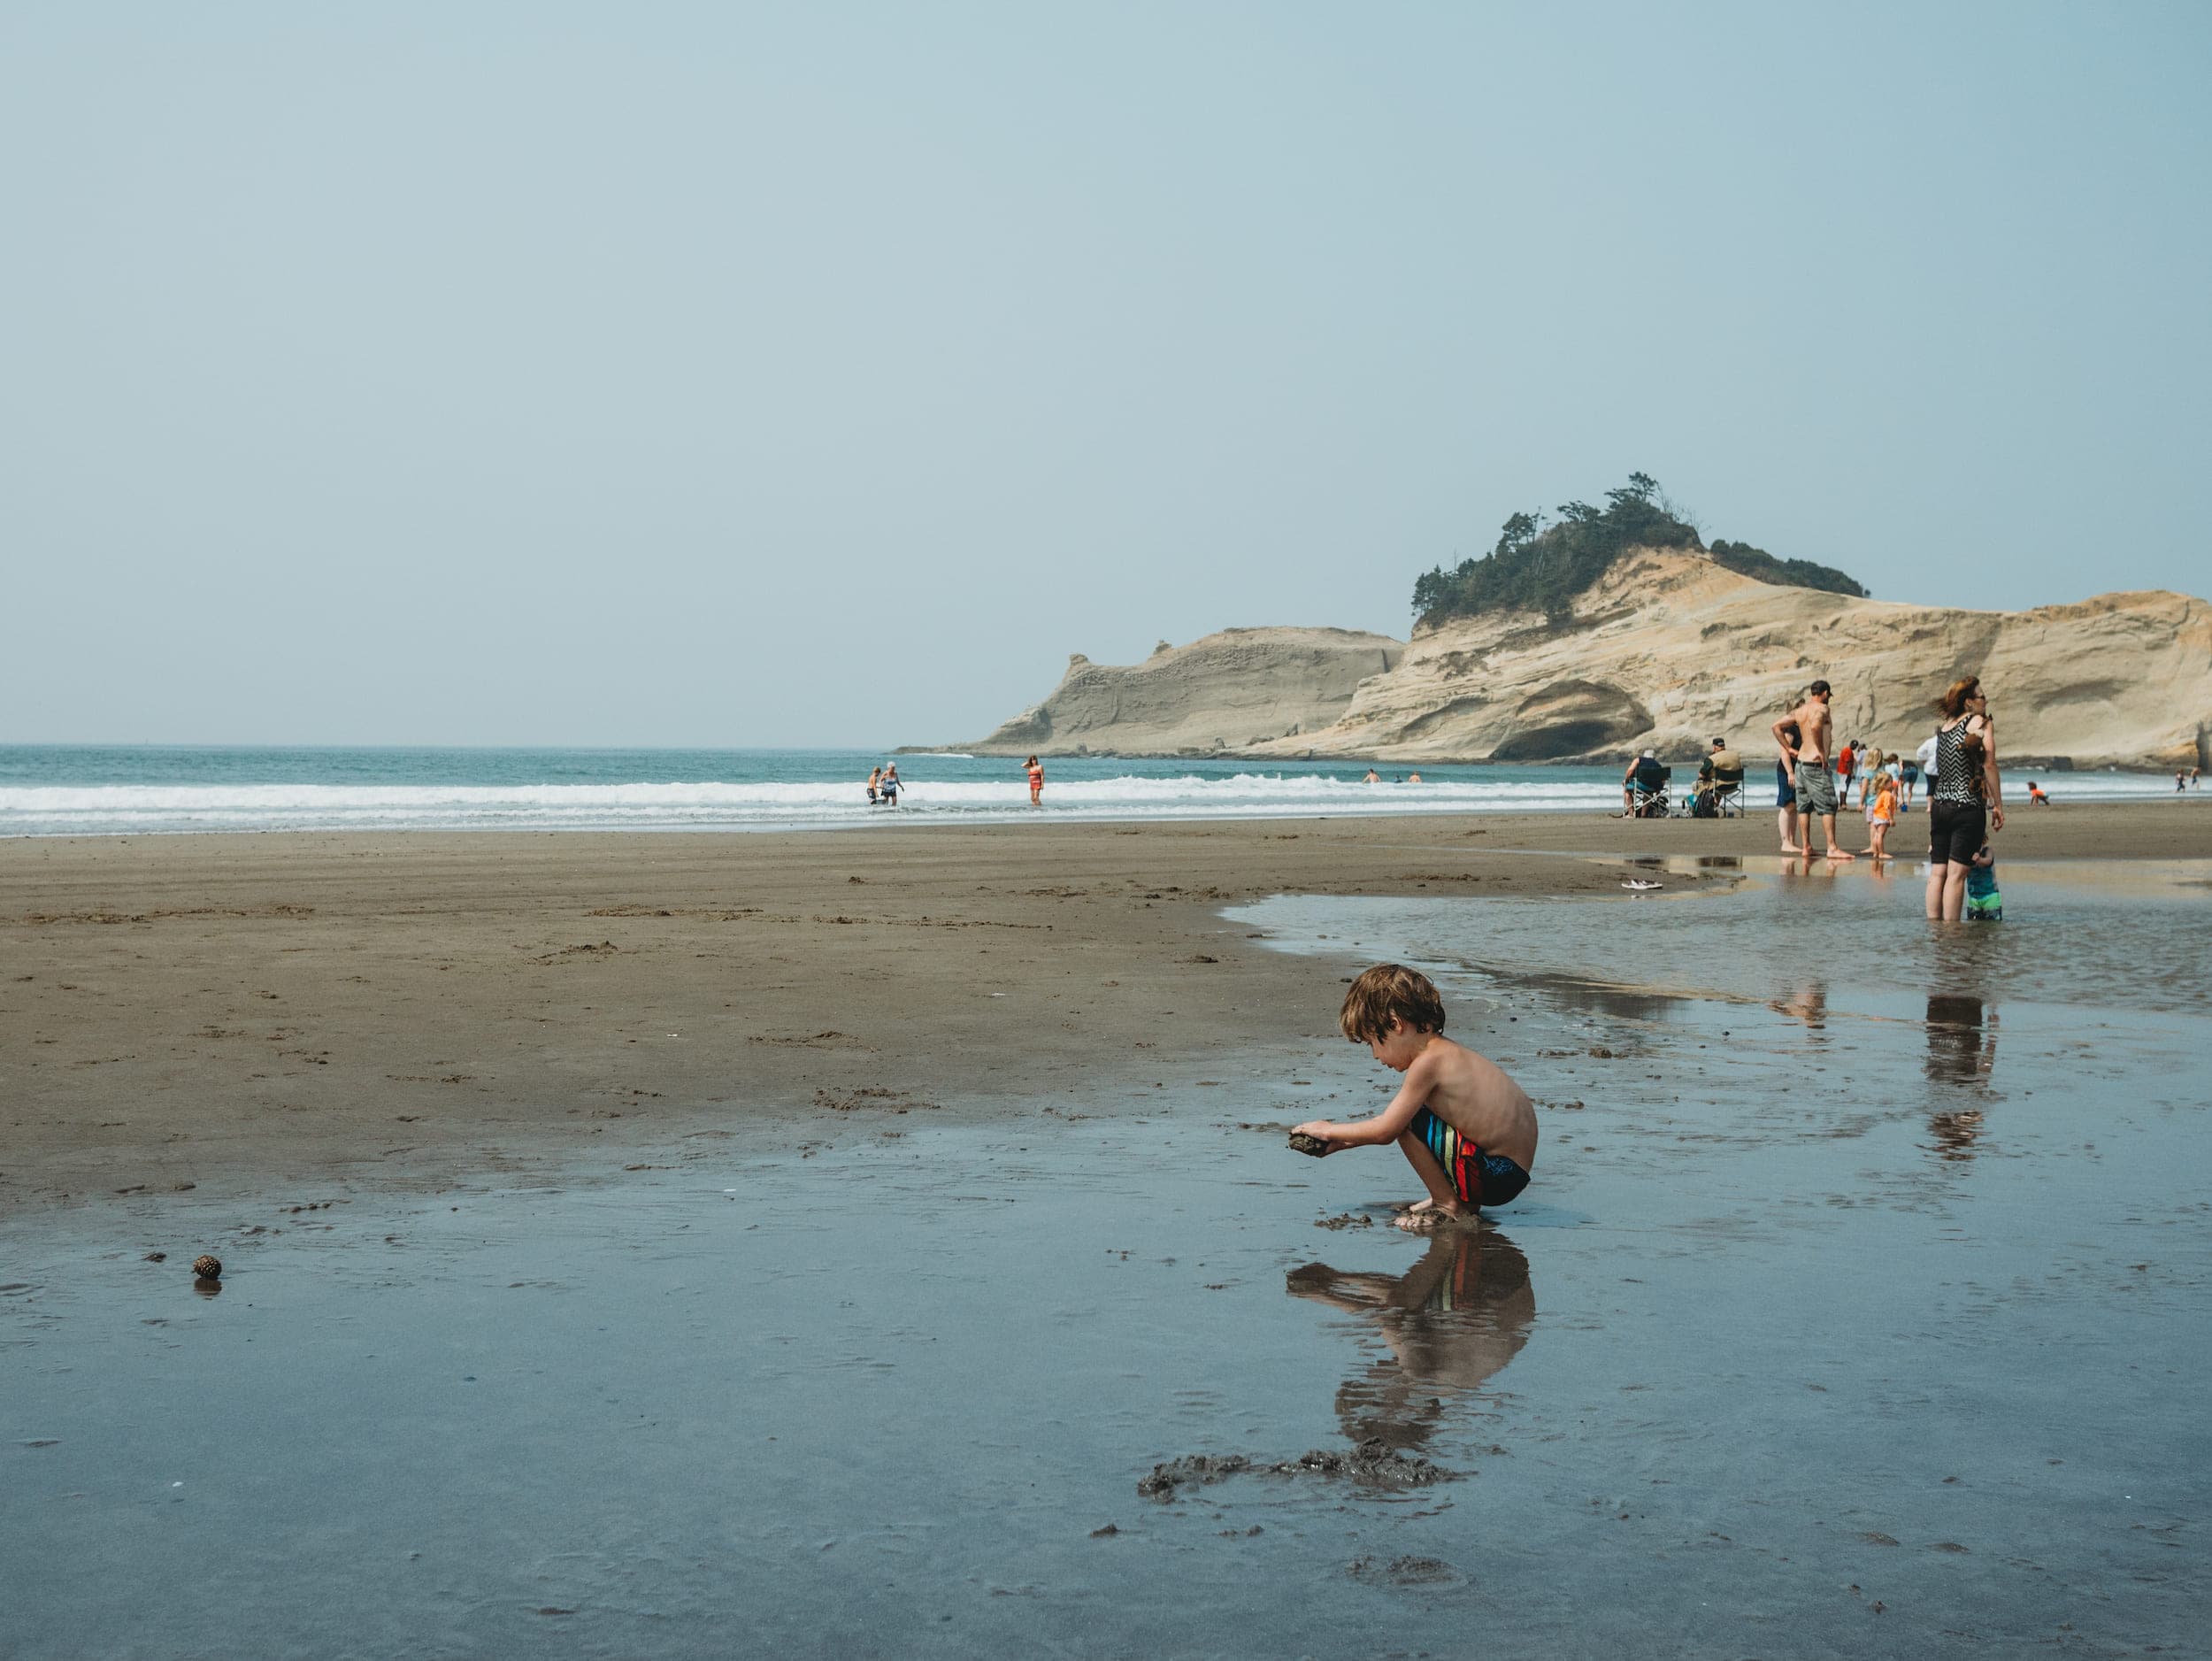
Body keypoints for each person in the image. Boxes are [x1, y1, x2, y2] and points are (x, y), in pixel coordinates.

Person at [1293, 965, 1537, 1233]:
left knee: (1408, 1121)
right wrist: (1341, 1142)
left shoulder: (1427, 1063)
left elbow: (1387, 1129)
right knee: (1412, 1116)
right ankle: (1458, 1201)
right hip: (1508, 1170)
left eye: (1373, 1042)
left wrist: (1329, 1130)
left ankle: (1447, 1204)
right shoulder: (1447, 1052)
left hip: (1496, 1175)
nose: (1375, 1055)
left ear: (1396, 1025)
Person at [1924, 676, 2005, 922]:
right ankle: (1952, 932)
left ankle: (1935, 930)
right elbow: (1989, 763)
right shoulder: (1979, 722)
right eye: (1982, 696)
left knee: (1938, 873)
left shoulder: (1946, 726)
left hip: (1939, 806)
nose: (1986, 700)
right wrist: (1998, 804)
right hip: (1967, 806)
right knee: (1957, 875)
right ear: (1969, 702)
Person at [1772, 681, 1854, 859]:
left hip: (1801, 764)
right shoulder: (1822, 709)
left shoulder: (1800, 711)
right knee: (1829, 806)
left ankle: (1806, 846)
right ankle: (1832, 847)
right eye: (1828, 696)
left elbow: (1776, 727)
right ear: (1825, 693)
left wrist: (1790, 749)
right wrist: (1822, 752)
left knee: (1803, 807)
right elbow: (1816, 726)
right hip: (1815, 764)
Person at [1775, 720, 1803, 853]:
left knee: (1794, 806)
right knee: (1787, 805)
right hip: (1786, 770)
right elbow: (1784, 751)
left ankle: (1792, 841)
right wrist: (1790, 773)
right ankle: (1785, 842)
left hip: (1797, 770)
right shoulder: (1791, 729)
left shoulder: (1802, 728)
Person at [1865, 768, 1900, 861]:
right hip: (1883, 817)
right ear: (1885, 784)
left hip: (1876, 816)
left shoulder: (1880, 793)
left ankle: (1876, 852)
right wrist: (1891, 819)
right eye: (1891, 782)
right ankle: (1881, 853)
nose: (1893, 784)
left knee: (1877, 835)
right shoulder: (1887, 794)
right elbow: (1887, 807)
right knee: (1880, 835)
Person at [1965, 842, 2002, 921]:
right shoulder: (1965, 852)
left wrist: (1979, 859)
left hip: (1990, 895)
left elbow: (1989, 860)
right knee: (1973, 922)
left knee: (1992, 923)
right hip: (1973, 898)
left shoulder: (1987, 850)